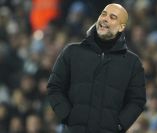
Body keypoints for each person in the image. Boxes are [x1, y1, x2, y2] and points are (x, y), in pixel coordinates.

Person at [47, 3, 146, 133]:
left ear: (121, 27)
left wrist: (119, 125)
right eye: (103, 14)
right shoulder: (72, 52)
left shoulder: (132, 63)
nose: (105, 19)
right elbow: (54, 87)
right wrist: (67, 115)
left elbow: (137, 100)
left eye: (113, 17)